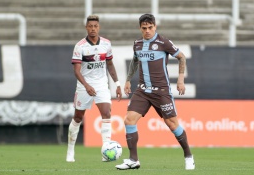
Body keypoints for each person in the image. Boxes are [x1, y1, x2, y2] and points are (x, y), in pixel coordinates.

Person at [115, 13, 195, 170]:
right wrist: (128, 79)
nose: (147, 31)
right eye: (144, 28)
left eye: (150, 27)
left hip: (161, 91)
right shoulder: (137, 44)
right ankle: (133, 160)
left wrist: (180, 79)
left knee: (172, 125)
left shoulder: (163, 42)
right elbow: (135, 61)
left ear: (155, 27)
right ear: (140, 28)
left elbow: (182, 57)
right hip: (143, 91)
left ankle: (188, 155)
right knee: (129, 120)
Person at [66, 15, 122, 162]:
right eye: (90, 26)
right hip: (84, 85)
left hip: (101, 84)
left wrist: (117, 84)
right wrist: (87, 86)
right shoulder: (80, 46)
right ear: (86, 27)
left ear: (99, 27)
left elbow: (110, 64)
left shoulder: (106, 44)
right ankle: (70, 150)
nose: (93, 29)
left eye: (95, 26)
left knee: (106, 113)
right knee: (78, 117)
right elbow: (77, 71)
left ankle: (106, 150)